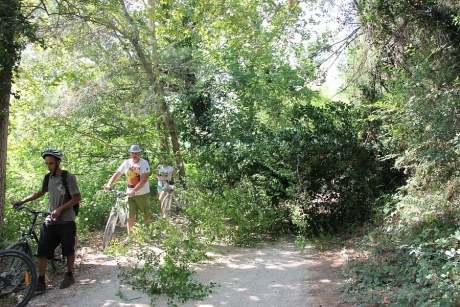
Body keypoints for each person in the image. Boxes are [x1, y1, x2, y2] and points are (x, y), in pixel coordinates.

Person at [12, 148, 81, 293]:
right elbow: (41, 192)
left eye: (51, 163)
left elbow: (77, 197)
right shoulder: (47, 177)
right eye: (46, 163)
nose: (48, 166)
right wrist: (23, 201)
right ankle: (41, 282)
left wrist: (61, 209)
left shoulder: (68, 177)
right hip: (51, 220)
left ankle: (69, 275)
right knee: (42, 251)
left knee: (68, 250)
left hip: (67, 221)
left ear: (58, 162)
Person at [104, 145, 151, 234]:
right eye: (133, 153)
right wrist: (109, 184)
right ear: (130, 153)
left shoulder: (144, 163)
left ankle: (148, 233)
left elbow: (144, 179)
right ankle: (131, 237)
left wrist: (135, 191)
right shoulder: (126, 163)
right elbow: (117, 174)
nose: (135, 155)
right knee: (130, 216)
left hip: (142, 194)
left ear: (139, 153)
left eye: (136, 153)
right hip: (129, 194)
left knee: (146, 215)